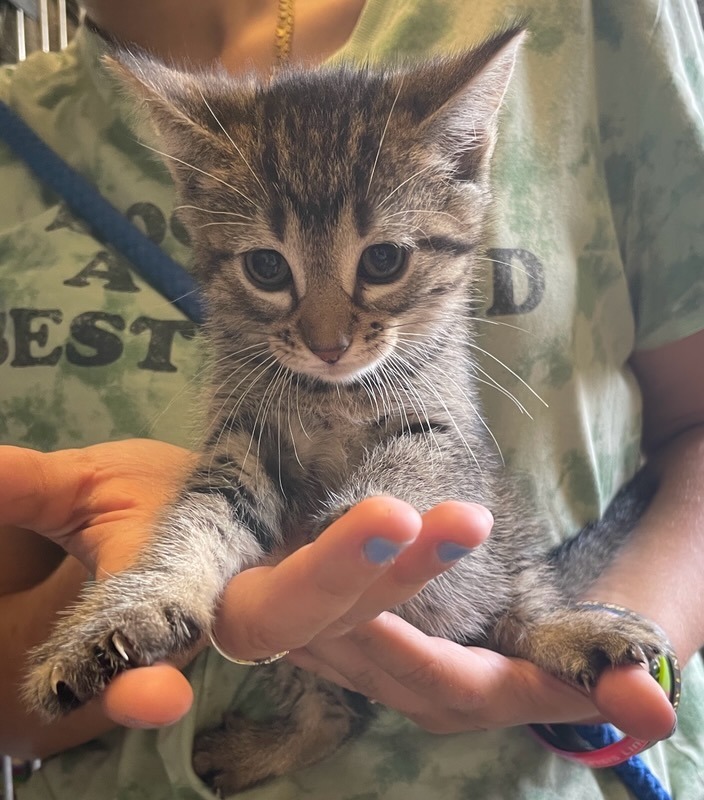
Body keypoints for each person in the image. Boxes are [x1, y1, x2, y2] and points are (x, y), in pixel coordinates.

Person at [0, 0, 702, 798]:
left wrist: (634, 645)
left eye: (385, 259)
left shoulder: (585, 23)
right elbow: (234, 480)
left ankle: (532, 622)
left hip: (527, 764)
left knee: (466, 496)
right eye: (270, 271)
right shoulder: (21, 125)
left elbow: (437, 450)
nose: (328, 334)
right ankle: (301, 710)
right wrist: (164, 596)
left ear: (469, 156)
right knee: (233, 476)